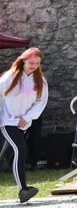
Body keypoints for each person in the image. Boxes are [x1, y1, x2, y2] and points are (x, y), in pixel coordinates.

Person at [0, 47, 48, 203]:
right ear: (23, 60)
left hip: (23, 122)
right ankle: (24, 190)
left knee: (5, 155)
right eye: (31, 62)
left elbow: (41, 102)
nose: (33, 65)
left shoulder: (40, 80)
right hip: (6, 121)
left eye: (37, 63)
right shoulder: (9, 77)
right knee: (20, 148)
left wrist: (27, 117)